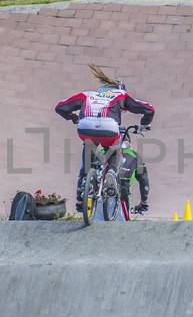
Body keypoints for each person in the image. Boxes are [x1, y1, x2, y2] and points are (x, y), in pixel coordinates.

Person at [55, 64, 155, 215]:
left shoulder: (87, 95)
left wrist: (73, 117)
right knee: (115, 148)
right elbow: (149, 108)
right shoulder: (121, 95)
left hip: (85, 127)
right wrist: (144, 124)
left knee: (88, 156)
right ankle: (112, 173)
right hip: (109, 128)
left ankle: (84, 187)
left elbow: (60, 107)